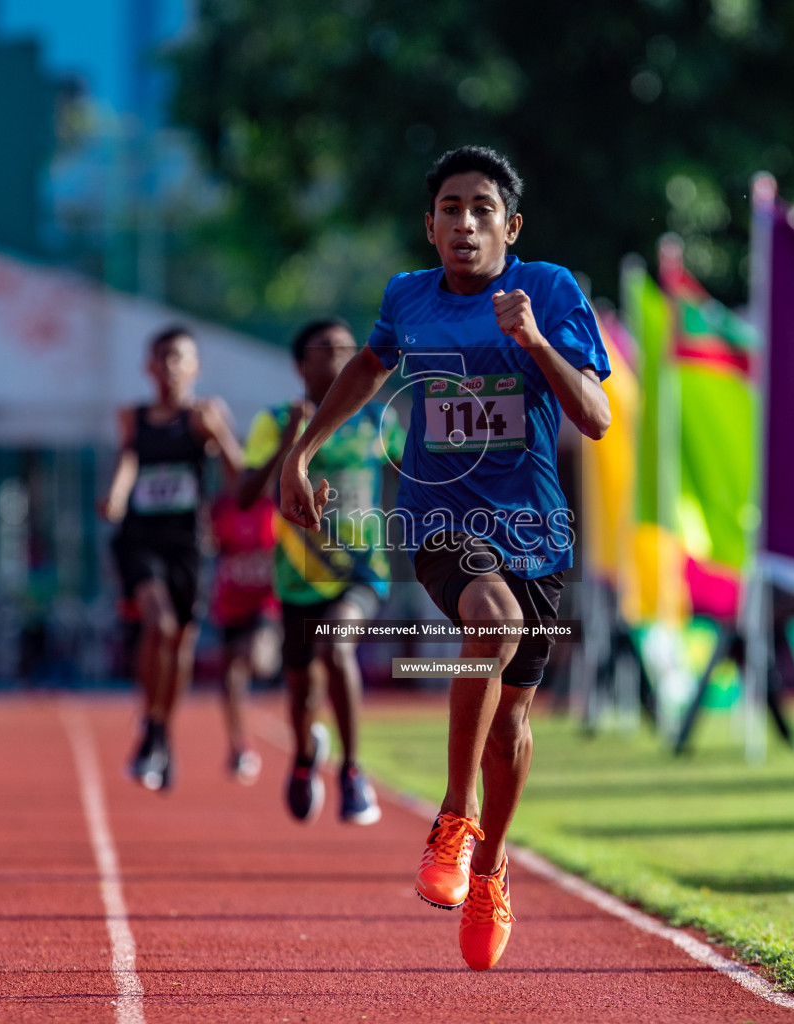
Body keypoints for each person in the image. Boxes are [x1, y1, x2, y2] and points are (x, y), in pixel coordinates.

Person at [278, 148, 610, 970]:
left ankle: (492, 866)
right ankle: (453, 819)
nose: (465, 223)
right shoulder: (406, 298)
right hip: (439, 521)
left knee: (515, 726)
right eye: (451, 209)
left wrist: (533, 340)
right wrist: (303, 454)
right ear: (429, 227)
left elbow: (597, 415)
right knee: (488, 623)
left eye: (483, 209)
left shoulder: (553, 292)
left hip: (535, 531)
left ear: (512, 225)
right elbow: (366, 366)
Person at [241, 317, 403, 825]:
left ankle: (353, 772)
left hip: (362, 570)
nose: (340, 354)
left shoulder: (380, 420)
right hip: (299, 575)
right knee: (300, 687)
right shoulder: (274, 420)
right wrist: (290, 444)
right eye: (327, 347)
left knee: (338, 647)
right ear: (300, 363)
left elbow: (415, 475)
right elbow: (245, 495)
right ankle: (305, 757)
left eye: (346, 347)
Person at [101, 325, 244, 791]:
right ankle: (151, 722)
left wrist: (220, 434)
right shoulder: (134, 416)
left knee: (180, 643)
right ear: (149, 366)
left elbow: (240, 478)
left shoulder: (204, 415)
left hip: (186, 544)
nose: (169, 367)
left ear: (194, 367)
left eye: (178, 358)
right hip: (140, 539)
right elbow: (128, 461)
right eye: (161, 358)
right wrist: (117, 497)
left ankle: (161, 731)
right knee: (158, 625)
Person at [207, 488, 280, 784]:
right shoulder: (223, 509)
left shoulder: (272, 509)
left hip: (264, 606)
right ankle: (239, 746)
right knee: (231, 678)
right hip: (231, 607)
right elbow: (211, 545)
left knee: (259, 660)